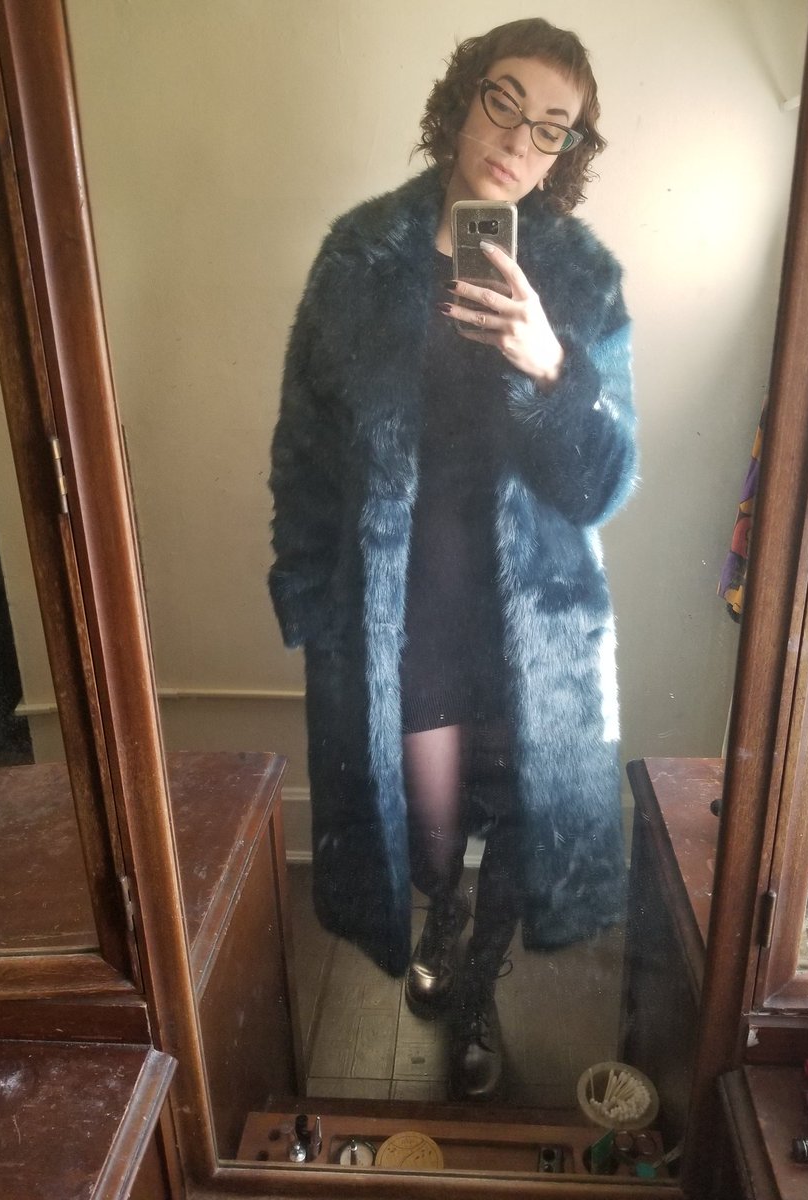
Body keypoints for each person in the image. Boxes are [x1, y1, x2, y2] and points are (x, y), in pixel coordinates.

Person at [268, 17, 636, 1100]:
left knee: (521, 821)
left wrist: (550, 367)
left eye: (554, 127)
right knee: (430, 836)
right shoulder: (359, 256)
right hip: (407, 609)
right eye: (504, 101)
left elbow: (602, 483)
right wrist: (310, 601)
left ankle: (476, 981)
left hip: (540, 624)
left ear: (568, 152)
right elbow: (303, 449)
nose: (520, 139)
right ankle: (446, 914)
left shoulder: (581, 277)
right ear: (464, 99)